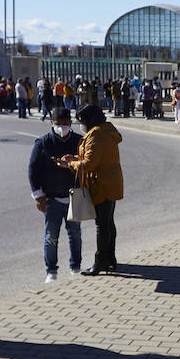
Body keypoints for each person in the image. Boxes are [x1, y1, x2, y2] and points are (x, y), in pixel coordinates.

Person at [58, 104, 123, 275]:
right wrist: (76, 158)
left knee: (102, 224)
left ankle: (101, 261)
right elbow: (95, 156)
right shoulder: (106, 130)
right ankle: (110, 258)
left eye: (82, 121)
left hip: (101, 184)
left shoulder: (96, 134)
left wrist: (69, 164)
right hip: (110, 183)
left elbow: (89, 164)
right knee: (108, 222)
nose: (81, 125)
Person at [28, 107, 83, 282]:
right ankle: (51, 271)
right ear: (52, 123)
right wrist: (38, 196)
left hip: (74, 197)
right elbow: (32, 170)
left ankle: (76, 267)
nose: (62, 127)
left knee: (75, 234)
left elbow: (87, 166)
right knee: (51, 236)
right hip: (51, 199)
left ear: (71, 123)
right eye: (59, 124)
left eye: (66, 124)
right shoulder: (43, 143)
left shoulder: (79, 141)